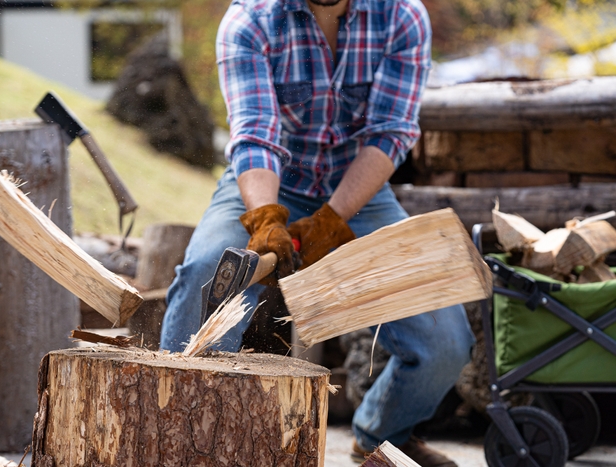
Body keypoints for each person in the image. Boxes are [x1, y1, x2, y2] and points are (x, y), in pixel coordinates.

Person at [160, 0, 475, 464]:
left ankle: (383, 436)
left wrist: (333, 217)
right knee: (207, 272)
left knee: (444, 340)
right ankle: (175, 440)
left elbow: (390, 133)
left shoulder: (401, 16)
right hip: (267, 184)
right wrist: (267, 218)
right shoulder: (250, 19)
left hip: (360, 193)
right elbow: (256, 134)